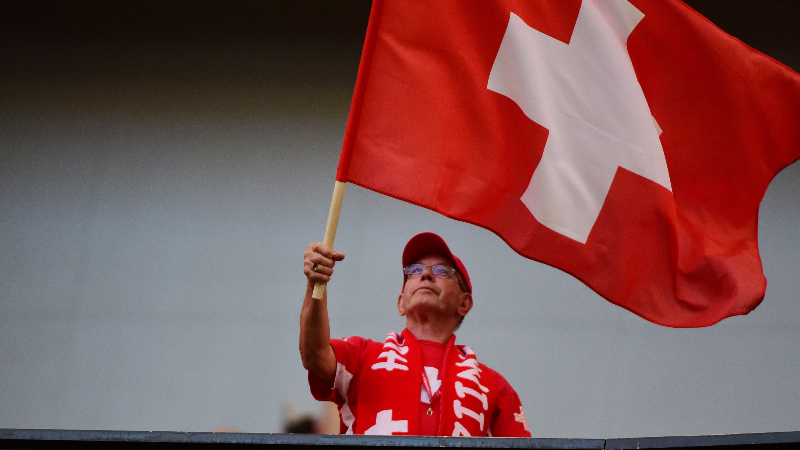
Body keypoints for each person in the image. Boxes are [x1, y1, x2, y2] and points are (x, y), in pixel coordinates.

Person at [300, 232, 531, 437]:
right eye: (414, 271)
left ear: (464, 303)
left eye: (442, 271)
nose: (426, 275)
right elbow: (314, 355)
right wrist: (315, 284)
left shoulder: (494, 386)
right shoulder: (364, 355)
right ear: (401, 303)